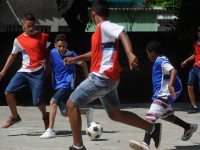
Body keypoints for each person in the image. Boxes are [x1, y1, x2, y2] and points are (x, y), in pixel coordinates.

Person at [64, 1, 162, 150]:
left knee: (71, 104)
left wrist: (129, 54)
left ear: (93, 14)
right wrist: (76, 59)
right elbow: (96, 54)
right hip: (110, 80)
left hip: (101, 78)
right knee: (115, 114)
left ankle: (78, 146)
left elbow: (122, 33)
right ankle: (152, 128)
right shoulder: (101, 32)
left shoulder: (104, 26)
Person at [129, 41, 198, 150]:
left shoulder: (160, 61)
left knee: (150, 117)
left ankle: (145, 143)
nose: (148, 56)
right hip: (164, 93)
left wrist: (170, 85)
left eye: (147, 54)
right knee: (167, 116)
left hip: (163, 94)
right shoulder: (162, 59)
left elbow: (173, 71)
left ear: (152, 53)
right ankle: (188, 127)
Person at [0, 13, 50, 129]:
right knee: (8, 92)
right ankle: (15, 116)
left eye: (32, 26)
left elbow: (46, 52)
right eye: (28, 26)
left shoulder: (42, 36)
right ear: (23, 25)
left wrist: (48, 63)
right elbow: (12, 56)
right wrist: (3, 71)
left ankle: (45, 116)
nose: (31, 28)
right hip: (23, 71)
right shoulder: (18, 40)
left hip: (38, 72)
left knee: (37, 101)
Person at [40, 33, 93, 139]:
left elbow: (83, 64)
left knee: (53, 102)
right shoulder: (52, 53)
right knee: (64, 112)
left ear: (66, 45)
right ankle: (87, 111)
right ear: (55, 45)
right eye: (59, 46)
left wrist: (87, 78)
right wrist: (44, 64)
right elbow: (46, 61)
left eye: (63, 46)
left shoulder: (72, 54)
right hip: (57, 85)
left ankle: (50, 130)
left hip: (68, 84)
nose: (61, 48)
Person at [181, 26, 200, 114]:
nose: (199, 32)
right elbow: (195, 54)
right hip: (195, 67)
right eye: (198, 31)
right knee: (189, 85)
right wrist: (186, 61)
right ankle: (194, 106)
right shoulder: (195, 43)